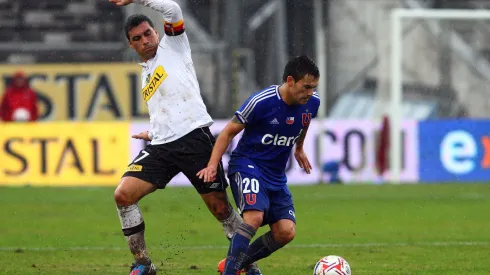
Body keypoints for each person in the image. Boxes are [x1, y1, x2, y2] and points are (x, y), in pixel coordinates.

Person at [108, 0, 252, 274]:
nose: (145, 41)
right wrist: (153, 132)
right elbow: (168, 106)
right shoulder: (146, 72)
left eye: (148, 33)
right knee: (123, 195)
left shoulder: (173, 47)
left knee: (221, 210)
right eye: (137, 38)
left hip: (194, 140)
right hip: (161, 146)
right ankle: (143, 265)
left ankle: (248, 265)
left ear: (156, 32)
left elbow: (173, 9)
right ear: (131, 45)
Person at [197, 55, 321, 275]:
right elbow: (227, 132)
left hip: (275, 175)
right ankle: (231, 272)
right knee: (254, 217)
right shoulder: (261, 101)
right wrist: (212, 165)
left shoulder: (312, 102)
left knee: (286, 232)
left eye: (314, 87)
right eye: (306, 87)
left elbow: (305, 121)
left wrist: (299, 148)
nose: (310, 92)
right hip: (247, 165)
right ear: (290, 81)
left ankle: (236, 264)